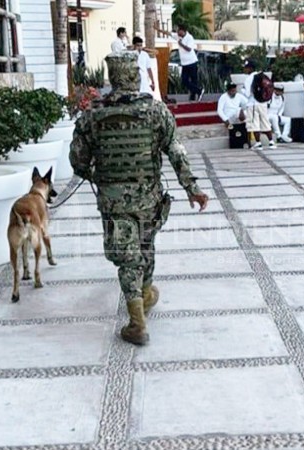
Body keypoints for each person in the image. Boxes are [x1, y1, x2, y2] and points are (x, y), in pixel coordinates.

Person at [70, 52, 209, 345]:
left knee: (128, 257)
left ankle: (137, 321)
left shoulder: (92, 116)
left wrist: (98, 175)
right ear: (135, 76)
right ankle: (143, 297)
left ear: (111, 78)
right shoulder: (156, 112)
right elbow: (176, 152)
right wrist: (191, 188)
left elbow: (78, 161)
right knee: (145, 246)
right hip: (149, 199)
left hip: (113, 201)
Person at [241, 61, 276, 149]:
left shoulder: (248, 79)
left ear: (250, 68)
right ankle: (271, 142)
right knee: (265, 122)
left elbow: (248, 94)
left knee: (254, 124)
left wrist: (242, 91)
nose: (245, 69)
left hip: (253, 104)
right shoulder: (262, 76)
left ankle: (258, 143)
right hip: (263, 103)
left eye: (246, 67)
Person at [175, 24, 204, 101]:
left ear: (183, 31)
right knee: (184, 81)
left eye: (178, 31)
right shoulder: (178, 37)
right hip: (184, 64)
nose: (177, 32)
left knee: (194, 80)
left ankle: (193, 97)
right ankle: (199, 91)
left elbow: (189, 49)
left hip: (192, 62)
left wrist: (181, 44)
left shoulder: (189, 38)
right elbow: (167, 33)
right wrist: (157, 28)